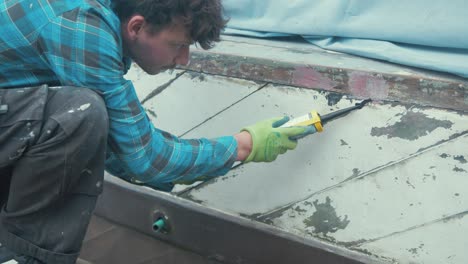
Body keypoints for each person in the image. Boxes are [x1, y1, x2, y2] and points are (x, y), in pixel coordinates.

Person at [0, 0, 309, 263]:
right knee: (81, 111)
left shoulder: (92, 17)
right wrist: (242, 146)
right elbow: (144, 158)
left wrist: (171, 172)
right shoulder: (82, 28)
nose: (184, 60)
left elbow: (112, 145)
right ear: (137, 27)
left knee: (79, 115)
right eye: (179, 45)